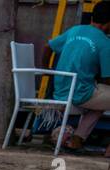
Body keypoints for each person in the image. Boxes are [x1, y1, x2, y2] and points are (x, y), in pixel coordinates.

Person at [44, 1, 110, 150]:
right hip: (79, 97)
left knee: (102, 99)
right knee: (104, 95)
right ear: (108, 24)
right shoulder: (105, 43)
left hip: (60, 94)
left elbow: (47, 46)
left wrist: (46, 70)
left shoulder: (74, 30)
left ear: (92, 17)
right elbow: (107, 79)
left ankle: (78, 138)